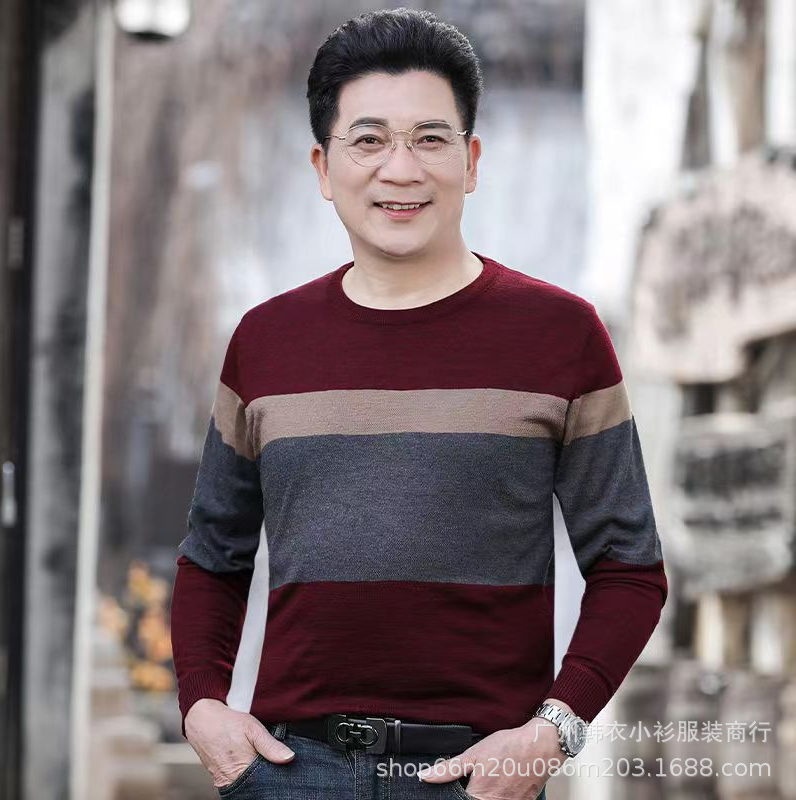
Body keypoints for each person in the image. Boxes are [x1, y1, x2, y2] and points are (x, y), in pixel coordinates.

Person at [170, 7, 668, 800]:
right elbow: (212, 555)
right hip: (293, 772)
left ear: (471, 161)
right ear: (322, 167)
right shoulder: (265, 341)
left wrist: (552, 731)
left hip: (477, 776)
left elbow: (629, 567)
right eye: (368, 140)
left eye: (430, 139)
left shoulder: (561, 334)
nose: (400, 170)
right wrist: (202, 705)